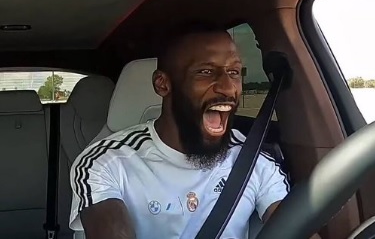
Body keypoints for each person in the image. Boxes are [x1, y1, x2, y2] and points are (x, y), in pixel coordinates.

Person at [69, 22, 317, 239]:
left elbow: (297, 230)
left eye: (234, 72)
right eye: (206, 72)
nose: (228, 87)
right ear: (163, 84)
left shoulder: (254, 161)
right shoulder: (105, 162)